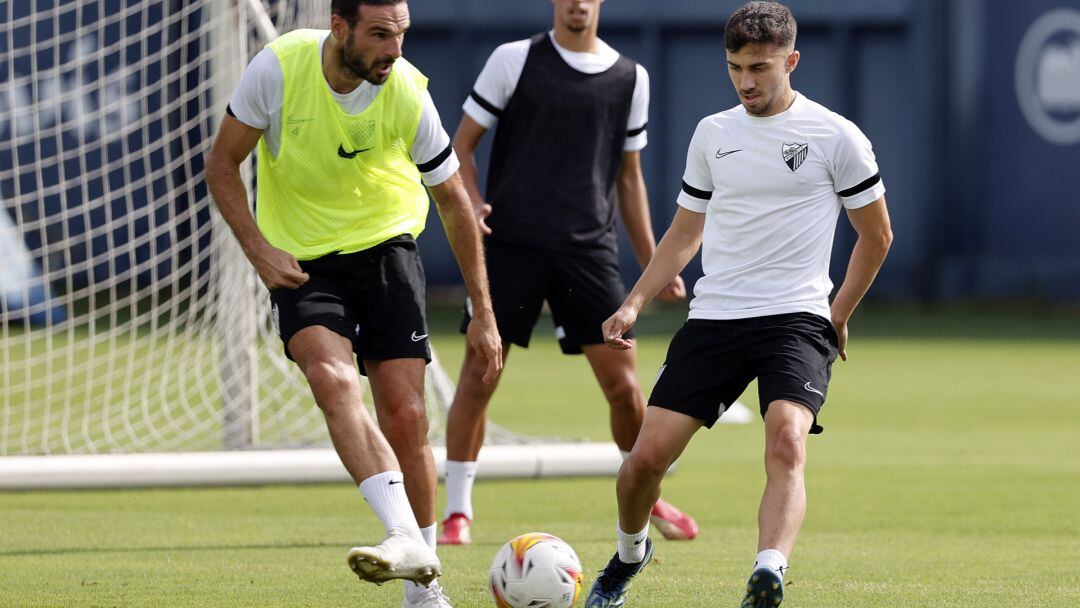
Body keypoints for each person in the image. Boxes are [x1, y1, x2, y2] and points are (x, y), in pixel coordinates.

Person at [583, 2, 894, 606]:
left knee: (786, 437)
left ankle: (768, 572)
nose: (746, 81)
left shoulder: (837, 137)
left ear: (792, 61)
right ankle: (629, 555)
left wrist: (838, 313)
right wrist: (634, 302)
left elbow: (876, 235)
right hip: (717, 318)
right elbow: (685, 232)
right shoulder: (713, 133)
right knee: (644, 463)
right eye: (735, 68)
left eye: (760, 67)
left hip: (797, 319)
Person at [205, 1, 502, 606]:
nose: (394, 49)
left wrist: (484, 313)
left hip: (387, 247)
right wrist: (260, 251)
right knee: (332, 379)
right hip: (303, 259)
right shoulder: (278, 70)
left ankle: (424, 592)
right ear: (339, 28)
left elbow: (453, 202)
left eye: (401, 34)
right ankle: (402, 534)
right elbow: (222, 164)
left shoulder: (409, 93)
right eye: (379, 34)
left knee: (406, 416)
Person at [437, 0, 698, 547]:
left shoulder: (632, 78)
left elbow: (630, 179)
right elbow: (461, 146)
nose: (578, 4)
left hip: (589, 252)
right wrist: (476, 202)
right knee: (480, 374)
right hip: (509, 246)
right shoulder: (514, 60)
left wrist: (654, 263)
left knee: (625, 388)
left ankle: (643, 496)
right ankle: (457, 510)